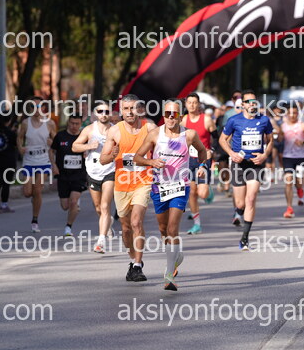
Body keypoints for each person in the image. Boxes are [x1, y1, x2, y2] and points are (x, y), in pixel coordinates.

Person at [134, 100, 208, 290]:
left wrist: (202, 166)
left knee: (172, 228)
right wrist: (151, 162)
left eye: (174, 114)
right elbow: (137, 158)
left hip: (180, 186)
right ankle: (176, 255)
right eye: (167, 114)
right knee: (163, 230)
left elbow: (202, 151)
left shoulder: (189, 135)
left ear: (180, 116)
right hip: (159, 187)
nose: (170, 118)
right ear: (163, 116)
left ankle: (169, 275)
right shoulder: (155, 134)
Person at [100, 94, 157, 282]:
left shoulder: (149, 128)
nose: (130, 112)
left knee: (136, 222)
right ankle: (133, 260)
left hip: (143, 181)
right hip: (122, 184)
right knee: (125, 229)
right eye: (126, 109)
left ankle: (138, 266)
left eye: (133, 108)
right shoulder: (115, 131)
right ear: (122, 111)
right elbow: (102, 159)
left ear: (139, 109)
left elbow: (164, 145)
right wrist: (112, 155)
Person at [219, 90, 274, 250]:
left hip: (256, 164)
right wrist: (232, 154)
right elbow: (222, 139)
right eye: (248, 102)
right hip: (238, 164)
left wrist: (264, 155)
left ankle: (245, 238)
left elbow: (270, 140)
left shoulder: (264, 120)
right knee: (240, 203)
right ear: (242, 104)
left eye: (254, 101)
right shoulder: (234, 120)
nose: (252, 104)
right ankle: (238, 210)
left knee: (251, 199)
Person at [72, 103, 116, 252]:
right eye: (100, 111)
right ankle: (107, 222)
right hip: (93, 171)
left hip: (110, 170)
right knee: (98, 207)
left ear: (110, 113)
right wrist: (89, 146)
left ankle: (100, 241)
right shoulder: (89, 129)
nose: (104, 114)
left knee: (105, 205)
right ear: (96, 113)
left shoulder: (115, 130)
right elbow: (75, 146)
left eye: (106, 111)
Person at [17, 97, 57, 233]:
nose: (36, 109)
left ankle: (35, 220)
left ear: (43, 108)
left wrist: (53, 142)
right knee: (28, 192)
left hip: (43, 160)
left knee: (37, 190)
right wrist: (20, 148)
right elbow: (19, 137)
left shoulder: (50, 123)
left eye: (39, 106)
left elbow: (57, 140)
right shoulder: (25, 123)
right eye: (33, 107)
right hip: (29, 160)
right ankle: (34, 198)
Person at [181, 93, 217, 235]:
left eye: (194, 102)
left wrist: (211, 151)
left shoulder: (207, 120)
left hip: (203, 158)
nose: (192, 105)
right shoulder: (184, 120)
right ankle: (197, 224)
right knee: (192, 192)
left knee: (202, 193)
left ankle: (208, 190)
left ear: (199, 104)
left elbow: (217, 138)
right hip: (189, 160)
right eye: (189, 102)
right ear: (186, 104)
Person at [51, 114, 87, 236]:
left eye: (77, 124)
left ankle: (68, 227)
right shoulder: (60, 136)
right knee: (65, 206)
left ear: (80, 124)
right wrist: (53, 165)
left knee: (73, 202)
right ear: (68, 123)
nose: (74, 126)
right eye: (72, 123)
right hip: (63, 175)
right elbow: (51, 150)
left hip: (79, 175)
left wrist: (87, 153)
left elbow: (90, 151)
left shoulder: (84, 137)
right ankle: (73, 204)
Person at [281, 105, 304, 218]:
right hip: (287, 157)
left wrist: (303, 142)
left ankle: (300, 191)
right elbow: (279, 139)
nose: (292, 115)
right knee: (288, 181)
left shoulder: (302, 125)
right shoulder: (283, 126)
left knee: (298, 181)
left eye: (295, 113)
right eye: (290, 113)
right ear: (287, 114)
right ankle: (289, 208)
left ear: (297, 114)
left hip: (300, 157)